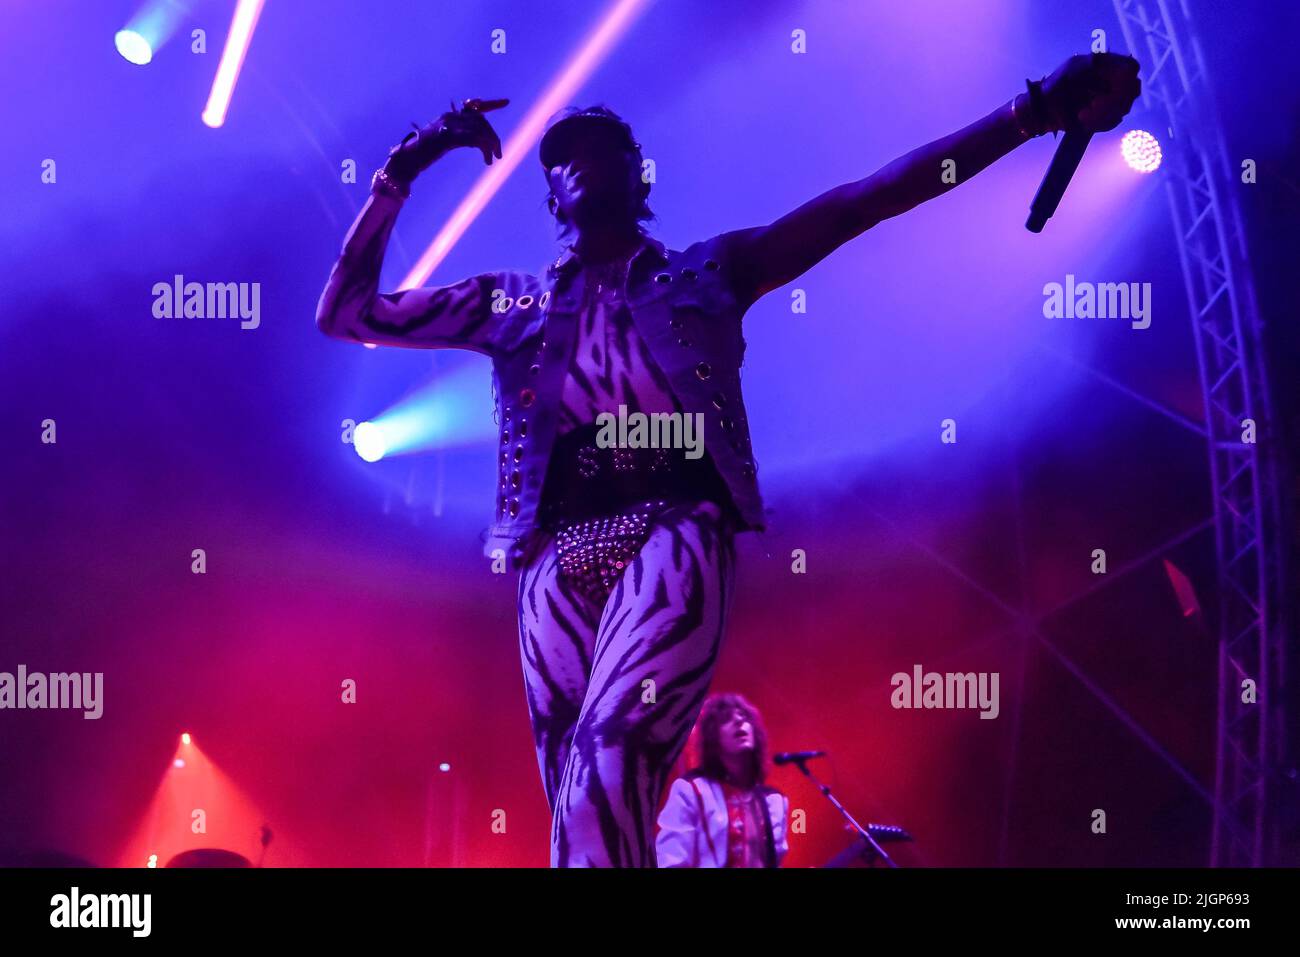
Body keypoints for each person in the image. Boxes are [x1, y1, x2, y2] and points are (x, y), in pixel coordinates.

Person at [315, 53, 1140, 867]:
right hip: (550, 559)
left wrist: (1028, 114)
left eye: (606, 150)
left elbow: (870, 199)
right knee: (580, 819)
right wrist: (403, 167)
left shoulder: (708, 272)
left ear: (642, 177)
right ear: (550, 194)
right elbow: (345, 313)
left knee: (606, 774)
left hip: (672, 532)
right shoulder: (510, 305)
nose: (585, 163)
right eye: (564, 156)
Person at [656, 693, 789, 868]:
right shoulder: (691, 790)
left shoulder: (774, 801)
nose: (738, 721)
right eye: (726, 719)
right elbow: (671, 861)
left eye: (744, 717)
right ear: (713, 737)